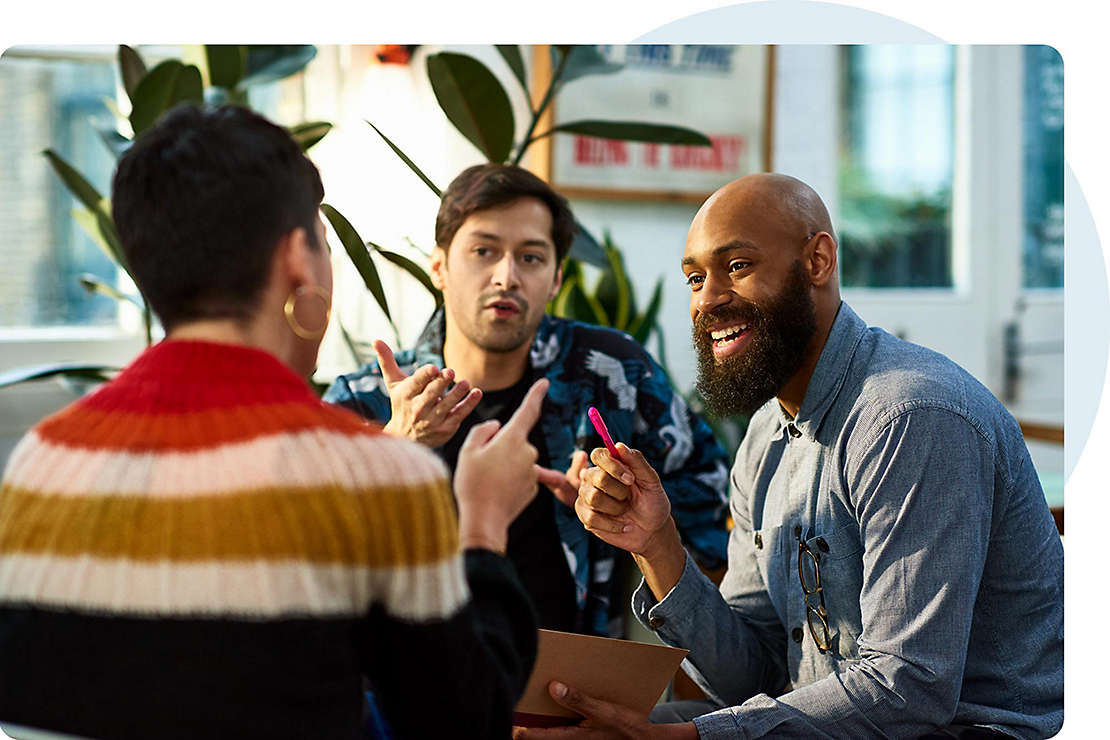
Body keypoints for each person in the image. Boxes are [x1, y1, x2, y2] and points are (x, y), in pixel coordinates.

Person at [0, 105, 543, 740]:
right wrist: (481, 523)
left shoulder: (41, 458)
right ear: (296, 260)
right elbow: (462, 725)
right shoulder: (382, 478)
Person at [517, 173, 1064, 739]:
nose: (706, 300)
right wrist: (656, 545)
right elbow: (751, 677)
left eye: (737, 267)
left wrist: (687, 738)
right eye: (695, 278)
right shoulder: (763, 439)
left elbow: (910, 687)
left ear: (818, 261)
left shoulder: (910, 416)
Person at [325, 163, 731, 637]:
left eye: (531, 258)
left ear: (557, 278)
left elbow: (715, 496)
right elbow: (295, 556)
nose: (506, 277)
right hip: (408, 689)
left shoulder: (610, 372)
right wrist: (394, 446)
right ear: (439, 266)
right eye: (483, 251)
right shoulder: (366, 400)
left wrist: (626, 503)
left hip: (573, 690)